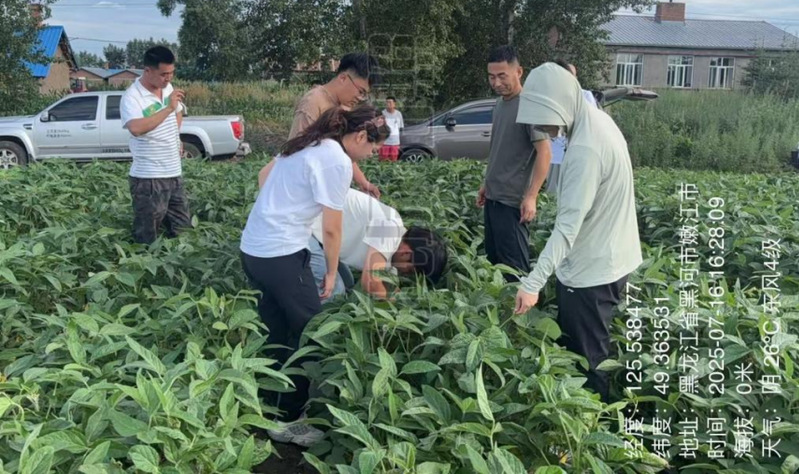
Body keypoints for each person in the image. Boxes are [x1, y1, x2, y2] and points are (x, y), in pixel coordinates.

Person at [240, 105, 390, 446]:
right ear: (360, 136)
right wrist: (331, 272)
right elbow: (333, 229)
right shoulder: (336, 160)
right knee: (312, 334)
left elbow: (264, 178)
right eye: (372, 148)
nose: (370, 156)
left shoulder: (306, 143)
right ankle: (288, 419)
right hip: (282, 255)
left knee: (279, 332)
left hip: (254, 251)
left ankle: (269, 404)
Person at [513, 63, 643, 402]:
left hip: (591, 271)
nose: (544, 129)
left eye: (545, 120)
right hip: (611, 257)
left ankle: (594, 422)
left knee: (586, 361)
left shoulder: (586, 149)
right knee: (592, 347)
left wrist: (532, 284)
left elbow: (567, 229)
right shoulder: (597, 119)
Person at [258, 53, 383, 198]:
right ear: (343, 78)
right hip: (302, 190)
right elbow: (295, 152)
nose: (360, 98)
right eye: (360, 91)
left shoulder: (344, 107)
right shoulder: (313, 102)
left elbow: (344, 150)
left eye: (364, 94)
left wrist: (363, 182)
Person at [476, 45, 552, 282]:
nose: (496, 83)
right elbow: (500, 148)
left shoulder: (531, 106)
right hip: (493, 198)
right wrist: (487, 183)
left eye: (502, 76)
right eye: (491, 77)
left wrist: (531, 196)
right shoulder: (500, 104)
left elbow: (545, 153)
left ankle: (523, 306)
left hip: (512, 202)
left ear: (519, 72)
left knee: (515, 272)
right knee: (495, 265)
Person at [308, 189, 448, 300]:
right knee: (335, 293)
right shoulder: (390, 228)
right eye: (410, 270)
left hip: (324, 238)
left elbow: (389, 287)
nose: (405, 274)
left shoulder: (392, 255)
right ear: (406, 253)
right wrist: (391, 307)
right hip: (306, 224)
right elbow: (370, 281)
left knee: (349, 284)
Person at [120, 46, 190, 244]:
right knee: (147, 235)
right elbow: (136, 128)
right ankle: (144, 262)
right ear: (147, 70)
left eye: (171, 73)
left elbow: (178, 111)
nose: (168, 78)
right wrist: (167, 108)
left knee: (183, 229)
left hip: (173, 172)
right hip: (149, 177)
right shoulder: (132, 97)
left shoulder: (167, 88)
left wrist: (175, 136)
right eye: (163, 74)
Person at [546, 60, 599, 194]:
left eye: (573, 76)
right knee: (553, 194)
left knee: (576, 191)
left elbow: (592, 122)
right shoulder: (551, 96)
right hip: (556, 154)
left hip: (577, 152)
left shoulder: (585, 95)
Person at [379, 96, 404, 162]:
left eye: (390, 102)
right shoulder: (382, 113)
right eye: (387, 102)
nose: (388, 104)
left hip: (395, 142)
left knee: (393, 160)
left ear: (394, 103)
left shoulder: (398, 114)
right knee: (383, 160)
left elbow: (400, 127)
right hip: (384, 142)